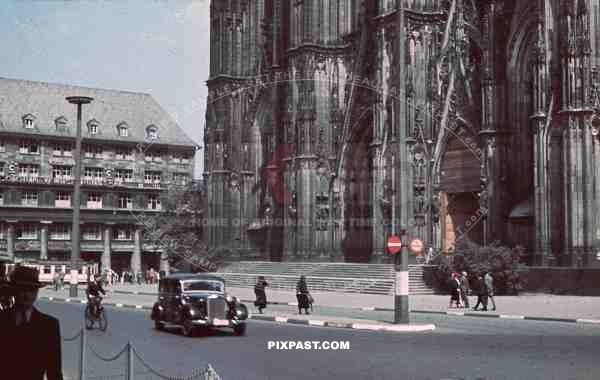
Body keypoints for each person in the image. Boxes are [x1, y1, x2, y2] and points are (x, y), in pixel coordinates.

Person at [0, 266, 64, 380]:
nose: (27, 295)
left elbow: (54, 370)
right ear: (14, 290)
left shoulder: (49, 325)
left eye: (32, 290)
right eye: (22, 289)